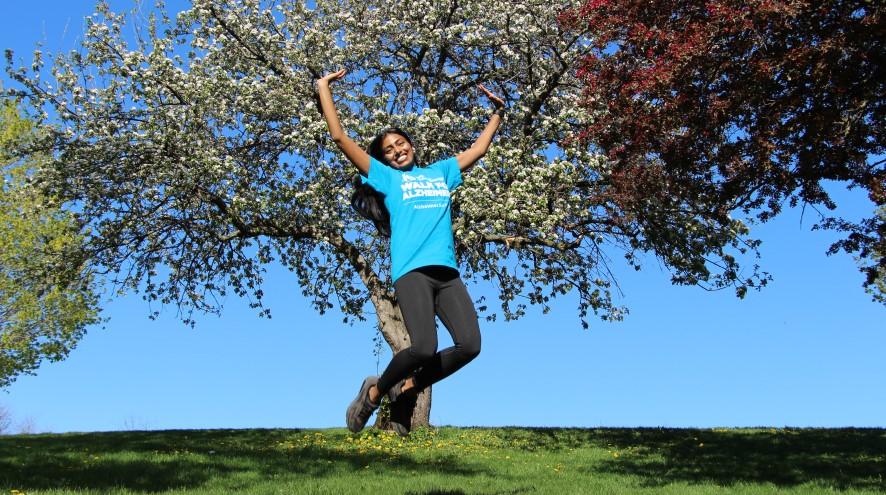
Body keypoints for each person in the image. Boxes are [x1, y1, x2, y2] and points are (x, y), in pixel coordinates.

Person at [315, 69, 505, 435]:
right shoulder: (387, 179)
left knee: (470, 345)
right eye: (388, 150)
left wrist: (498, 112)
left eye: (400, 144)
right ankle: (373, 392)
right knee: (422, 348)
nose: (396, 151)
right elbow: (339, 137)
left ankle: (407, 390)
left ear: (412, 145)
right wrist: (324, 88)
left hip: (447, 273)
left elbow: (480, 149)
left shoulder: (442, 172)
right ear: (384, 160)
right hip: (412, 271)